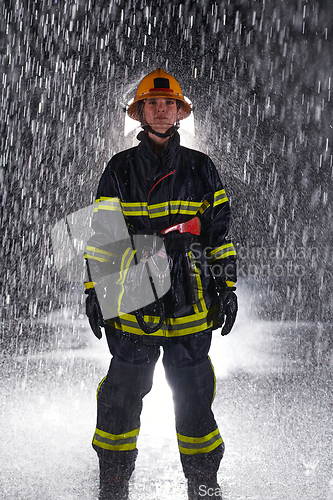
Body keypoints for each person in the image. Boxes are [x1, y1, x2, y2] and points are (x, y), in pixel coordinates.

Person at [84, 68, 237, 500]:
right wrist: (94, 290)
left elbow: (218, 236)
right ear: (140, 112)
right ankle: (114, 477)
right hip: (133, 293)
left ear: (179, 113)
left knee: (192, 392)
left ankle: (203, 479)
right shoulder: (119, 168)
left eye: (169, 104)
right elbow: (102, 235)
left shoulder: (200, 168)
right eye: (152, 104)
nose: (161, 110)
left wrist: (227, 287)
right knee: (123, 390)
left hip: (190, 295)